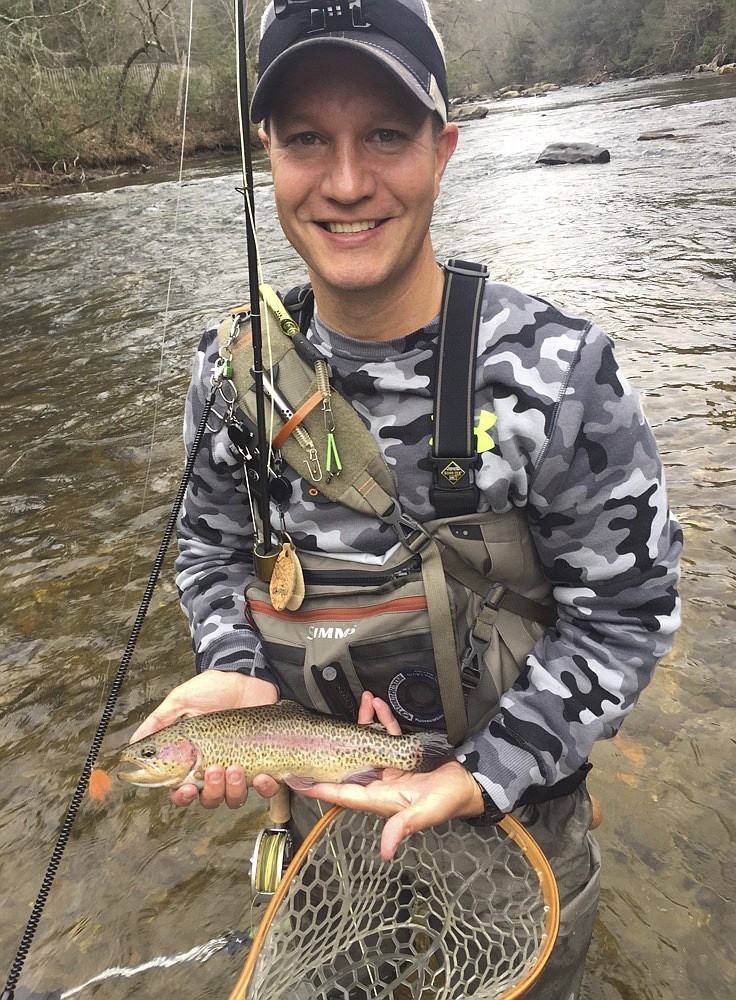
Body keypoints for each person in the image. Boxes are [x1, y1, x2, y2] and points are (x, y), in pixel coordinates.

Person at [130, 1, 682, 995]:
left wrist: (483, 771)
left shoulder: (561, 373)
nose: (346, 181)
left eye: (385, 133)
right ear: (267, 155)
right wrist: (241, 682)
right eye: (308, 139)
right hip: (324, 817)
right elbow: (210, 555)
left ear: (444, 148)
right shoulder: (227, 379)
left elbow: (630, 613)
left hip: (518, 813)